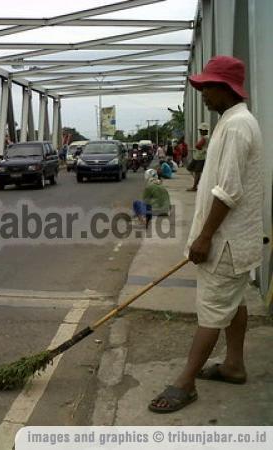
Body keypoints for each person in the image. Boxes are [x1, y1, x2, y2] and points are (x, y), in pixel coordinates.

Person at [149, 56, 264, 414]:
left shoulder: (236, 126)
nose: (202, 94)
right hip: (234, 239)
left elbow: (228, 190)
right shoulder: (233, 122)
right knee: (235, 303)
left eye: (207, 87)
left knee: (212, 310)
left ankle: (185, 381)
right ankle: (233, 365)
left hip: (225, 242)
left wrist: (204, 237)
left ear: (226, 88)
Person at [187, 123, 210, 191]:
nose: (200, 131)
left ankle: (195, 186)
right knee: (195, 171)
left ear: (204, 131)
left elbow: (198, 146)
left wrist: (200, 148)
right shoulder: (207, 137)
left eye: (201, 130)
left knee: (197, 172)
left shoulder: (205, 137)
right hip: (200, 157)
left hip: (200, 157)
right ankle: (197, 184)